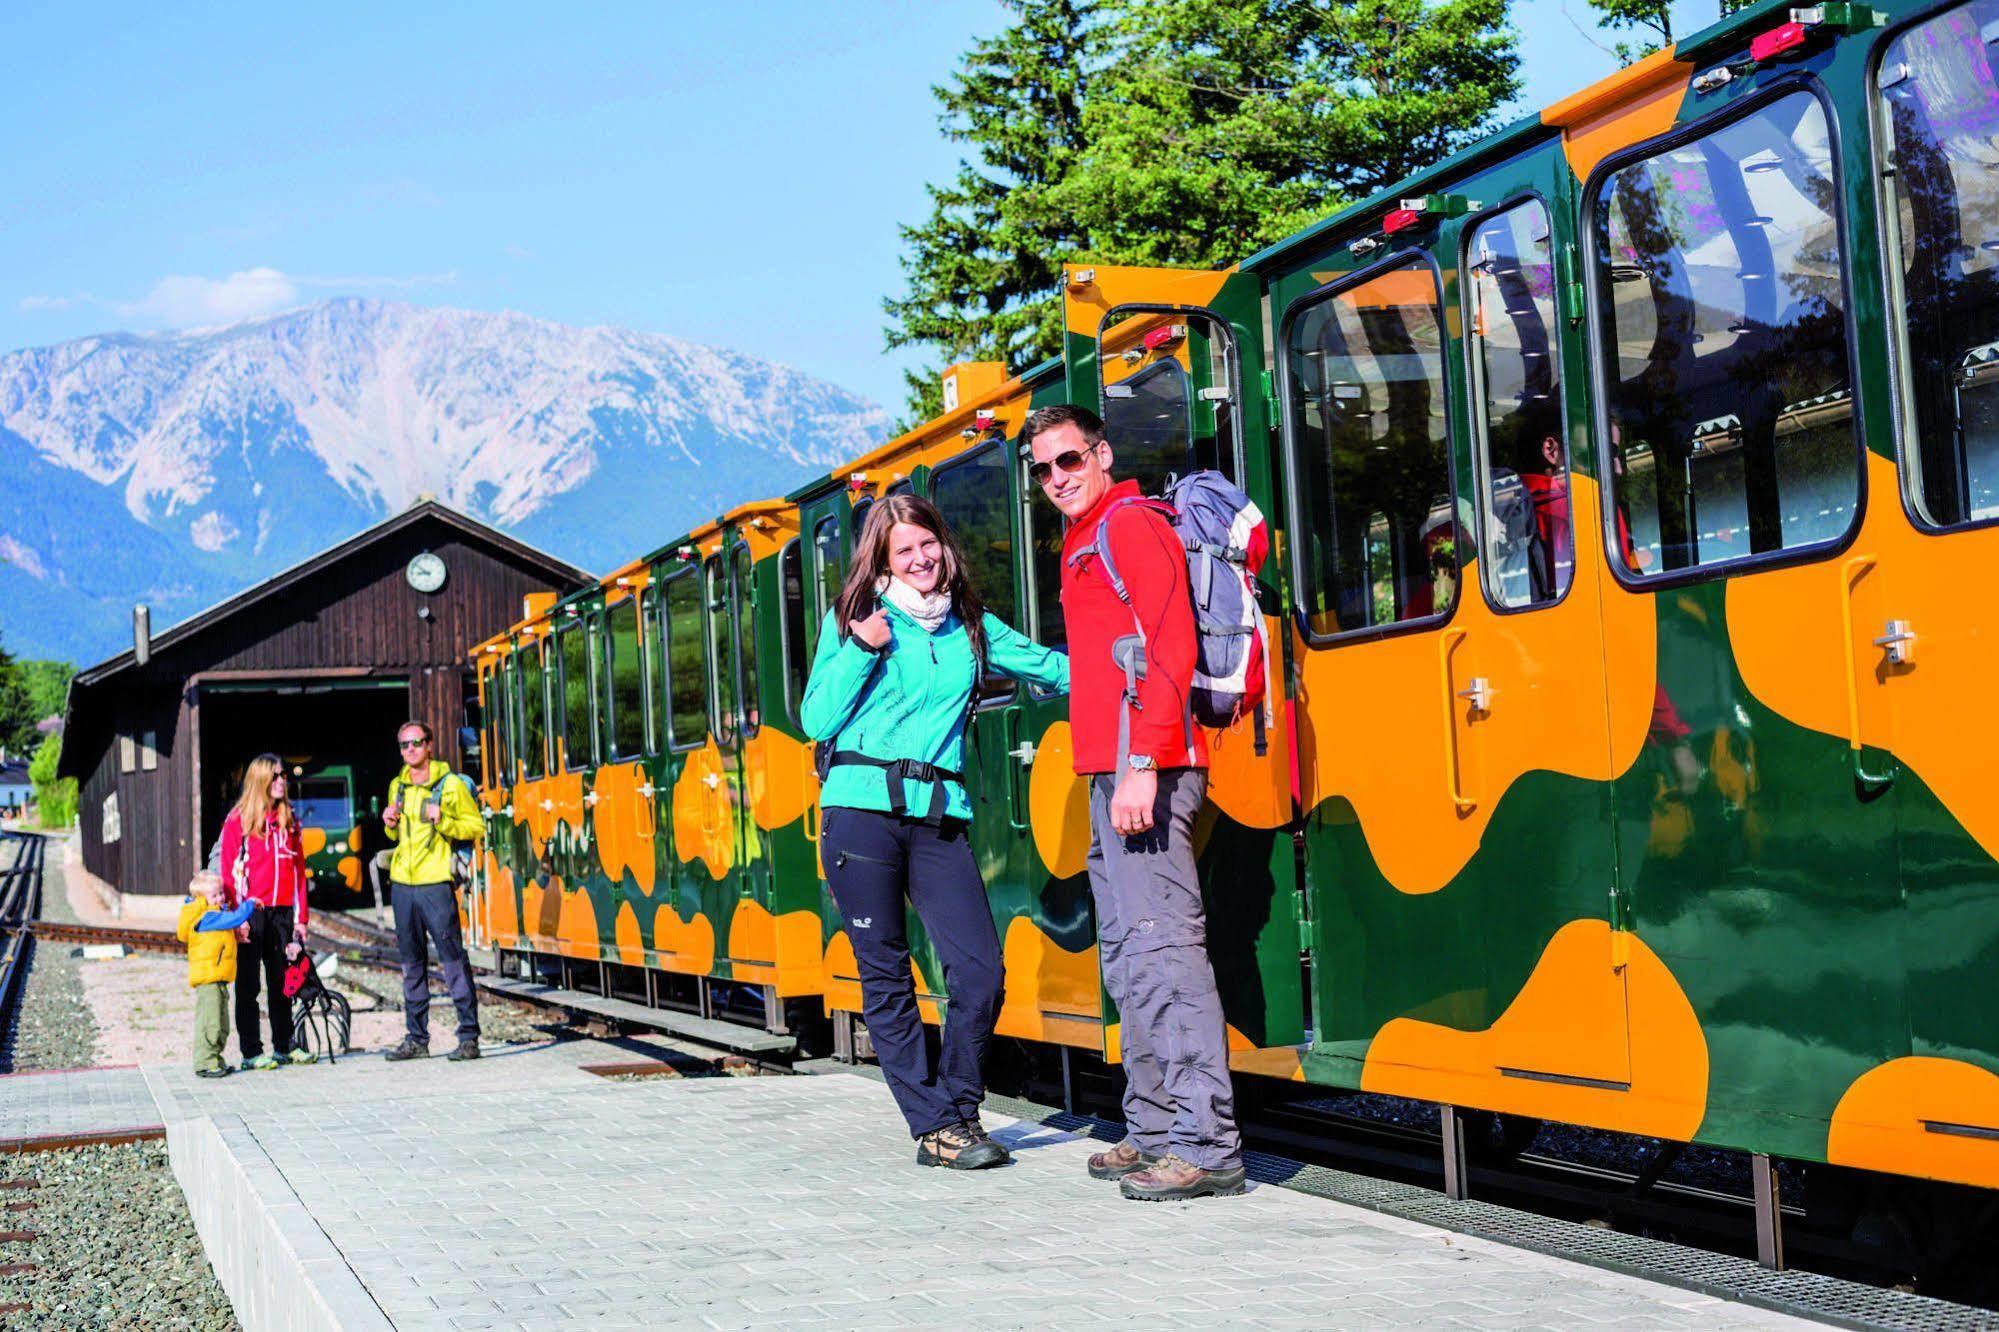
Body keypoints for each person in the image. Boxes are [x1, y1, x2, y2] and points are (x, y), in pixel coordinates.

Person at [800, 494, 1068, 1169]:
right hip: (859, 813)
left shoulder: (970, 626)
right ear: (881, 560)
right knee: (887, 974)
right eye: (903, 551)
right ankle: (936, 1128)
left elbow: (1052, 666)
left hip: (938, 815)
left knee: (980, 971)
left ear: (944, 547)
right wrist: (862, 650)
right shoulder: (855, 619)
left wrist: (1144, 667)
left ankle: (958, 1105)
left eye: (928, 545)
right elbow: (815, 717)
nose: (919, 560)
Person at [1021, 403, 1246, 1202]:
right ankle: (1152, 1127)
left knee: (1164, 955)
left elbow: (1170, 644)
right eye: (1043, 469)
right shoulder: (1083, 539)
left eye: (1069, 460)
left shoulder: (1128, 526)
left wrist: (1145, 760)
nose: (1057, 479)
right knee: (1126, 955)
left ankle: (1206, 1144)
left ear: (1101, 454)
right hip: (1108, 773)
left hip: (1146, 768)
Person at [382, 722, 484, 1062]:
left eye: (415, 743)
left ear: (429, 745)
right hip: (402, 885)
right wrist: (390, 824)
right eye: (403, 744)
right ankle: (416, 1038)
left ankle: (468, 1037)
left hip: (435, 884)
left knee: (452, 959)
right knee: (411, 963)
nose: (409, 749)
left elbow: (475, 827)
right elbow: (395, 838)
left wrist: (443, 821)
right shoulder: (397, 786)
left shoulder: (451, 785)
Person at [220, 754, 316, 1069]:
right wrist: (235, 918)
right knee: (248, 985)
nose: (281, 781)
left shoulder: (290, 822)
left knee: (282, 983)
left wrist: (301, 921)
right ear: (260, 780)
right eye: (274, 776)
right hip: (251, 912)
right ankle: (250, 1051)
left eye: (283, 775)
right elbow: (228, 873)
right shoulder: (238, 821)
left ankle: (285, 1046)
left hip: (282, 913)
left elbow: (299, 873)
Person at [177, 870, 257, 1078]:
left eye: (221, 893)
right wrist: (249, 904)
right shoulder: (207, 916)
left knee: (221, 1023)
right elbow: (234, 919)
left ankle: (216, 1059)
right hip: (208, 979)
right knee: (210, 1022)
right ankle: (205, 1061)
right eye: (215, 895)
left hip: (218, 977)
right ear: (201, 899)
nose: (221, 897)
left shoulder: (214, 914)